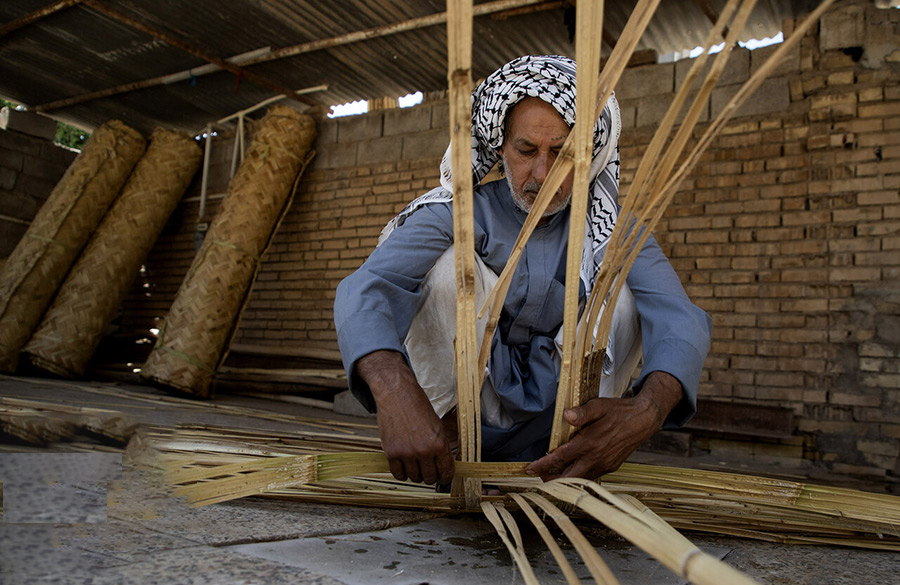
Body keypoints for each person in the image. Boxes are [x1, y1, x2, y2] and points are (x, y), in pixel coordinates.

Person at [334, 55, 711, 487]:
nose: (544, 174)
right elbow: (369, 286)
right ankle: (452, 437)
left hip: (567, 416)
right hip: (466, 412)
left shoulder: (611, 227)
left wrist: (649, 409)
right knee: (444, 270)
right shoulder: (459, 213)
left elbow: (679, 315)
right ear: (500, 149)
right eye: (526, 150)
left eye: (565, 154)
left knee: (620, 295)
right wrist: (392, 387)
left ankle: (578, 451)